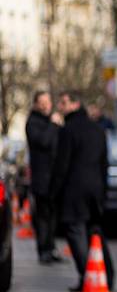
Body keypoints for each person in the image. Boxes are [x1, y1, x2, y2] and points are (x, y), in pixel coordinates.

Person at [50, 91, 114, 292]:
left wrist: (54, 193)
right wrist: (103, 189)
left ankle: (88, 276)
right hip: (95, 188)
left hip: (74, 189)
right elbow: (105, 163)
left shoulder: (68, 130)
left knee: (75, 231)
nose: (60, 107)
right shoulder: (97, 129)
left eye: (63, 102)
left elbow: (62, 165)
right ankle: (107, 276)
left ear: (75, 104)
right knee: (95, 232)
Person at [25, 91, 62, 264]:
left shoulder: (50, 122)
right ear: (36, 104)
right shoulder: (33, 122)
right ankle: (43, 250)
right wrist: (54, 125)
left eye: (48, 101)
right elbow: (44, 141)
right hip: (41, 178)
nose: (46, 105)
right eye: (42, 102)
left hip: (54, 178)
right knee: (43, 216)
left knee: (53, 215)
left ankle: (51, 248)